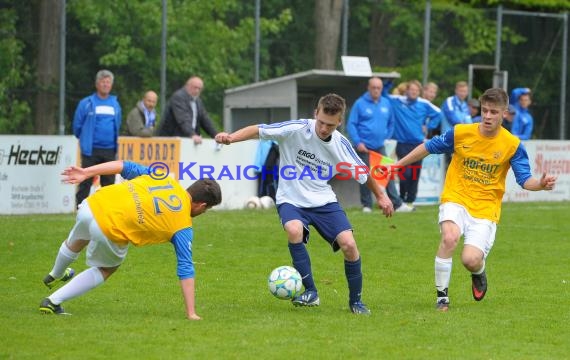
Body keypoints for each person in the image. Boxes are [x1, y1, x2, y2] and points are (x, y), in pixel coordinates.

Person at [215, 93, 394, 315]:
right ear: (315, 114)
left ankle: (356, 302)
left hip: (323, 199)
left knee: (349, 244)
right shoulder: (297, 128)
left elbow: (363, 173)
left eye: (330, 125)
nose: (323, 128)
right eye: (321, 122)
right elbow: (258, 129)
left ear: (339, 122)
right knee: (293, 229)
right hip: (291, 198)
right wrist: (231, 138)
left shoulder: (341, 145)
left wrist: (381, 196)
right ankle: (310, 292)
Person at [393, 88, 557, 312]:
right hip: (456, 196)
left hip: (486, 208)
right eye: (485, 110)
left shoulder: (512, 145)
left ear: (504, 114)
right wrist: (398, 165)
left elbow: (524, 179)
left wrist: (541, 184)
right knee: (450, 237)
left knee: (470, 259)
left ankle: (478, 272)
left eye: (493, 112)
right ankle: (442, 298)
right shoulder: (460, 132)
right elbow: (428, 147)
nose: (488, 116)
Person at [39, 160, 222, 320]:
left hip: (93, 203)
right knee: (107, 268)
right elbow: (186, 267)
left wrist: (86, 172)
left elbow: (123, 165)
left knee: (80, 238)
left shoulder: (163, 177)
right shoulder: (183, 226)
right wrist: (191, 313)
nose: (202, 213)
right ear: (201, 205)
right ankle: (53, 301)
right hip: (110, 226)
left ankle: (55, 274)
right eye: (205, 210)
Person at [347, 76, 414, 213]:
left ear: (381, 89)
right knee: (365, 175)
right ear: (368, 88)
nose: (376, 90)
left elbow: (391, 123)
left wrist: (386, 137)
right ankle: (367, 205)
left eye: (379, 88)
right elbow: (351, 124)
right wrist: (358, 142)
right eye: (373, 88)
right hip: (363, 147)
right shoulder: (359, 103)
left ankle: (396, 203)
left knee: (387, 173)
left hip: (379, 146)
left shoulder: (386, 103)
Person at [73, 69, 122, 208]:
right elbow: (77, 126)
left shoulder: (115, 104)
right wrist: (84, 140)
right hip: (91, 149)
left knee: (109, 182)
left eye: (108, 82)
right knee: (86, 179)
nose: (106, 84)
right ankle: (79, 207)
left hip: (109, 149)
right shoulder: (86, 103)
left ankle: (107, 210)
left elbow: (118, 123)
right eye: (103, 82)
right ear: (97, 84)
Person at [389, 80, 443, 207]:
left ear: (419, 92)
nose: (413, 92)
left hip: (419, 144)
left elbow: (439, 114)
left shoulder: (423, 103)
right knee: (405, 172)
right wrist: (388, 83)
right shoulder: (398, 100)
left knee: (415, 173)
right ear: (407, 90)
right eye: (411, 90)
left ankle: (410, 201)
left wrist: (429, 126)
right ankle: (401, 198)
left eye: (416, 90)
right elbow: (384, 96)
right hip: (402, 143)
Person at [157, 76, 219, 144]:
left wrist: (217, 135)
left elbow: (205, 120)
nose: (197, 91)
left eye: (199, 89)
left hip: (185, 140)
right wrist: (193, 135)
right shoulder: (178, 97)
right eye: (195, 87)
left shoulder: (197, 101)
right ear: (187, 86)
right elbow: (183, 119)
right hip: (169, 141)